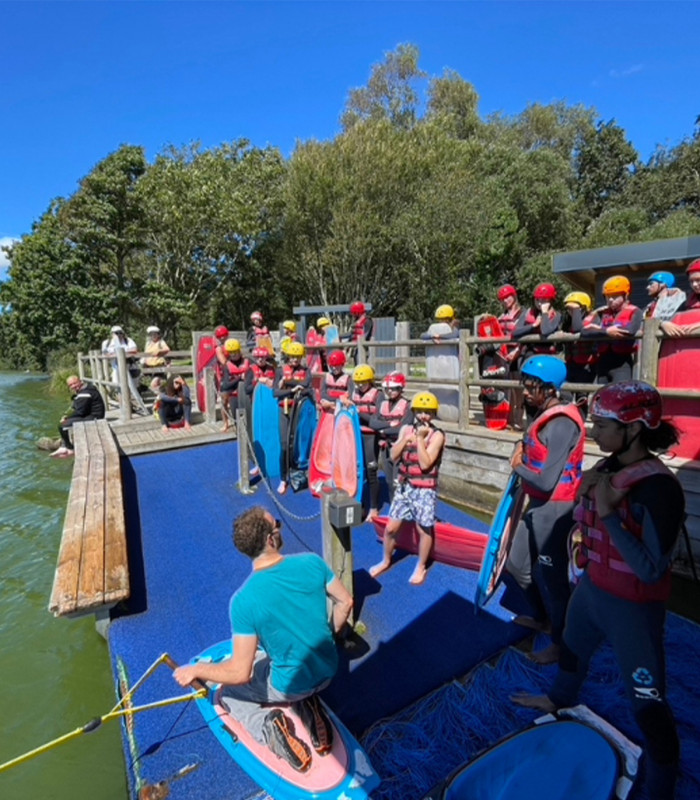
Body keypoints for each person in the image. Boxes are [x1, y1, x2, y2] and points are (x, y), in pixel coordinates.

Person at [512, 381, 684, 800]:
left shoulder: (660, 489)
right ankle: (557, 700)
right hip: (592, 592)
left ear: (633, 429)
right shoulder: (608, 468)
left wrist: (607, 516)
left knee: (648, 705)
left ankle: (662, 785)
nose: (592, 432)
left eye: (603, 426)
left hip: (633, 609)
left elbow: (650, 570)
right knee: (572, 649)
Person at [173, 508, 353, 772]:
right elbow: (346, 602)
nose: (280, 526)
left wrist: (196, 670)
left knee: (228, 694)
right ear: (270, 539)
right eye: (277, 524)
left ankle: (269, 727)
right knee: (267, 659)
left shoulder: (243, 601)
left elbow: (240, 673)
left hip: (291, 685)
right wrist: (327, 635)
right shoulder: (312, 562)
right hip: (328, 670)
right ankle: (309, 705)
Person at [506, 355, 585, 664]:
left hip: (555, 509)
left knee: (554, 581)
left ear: (550, 389)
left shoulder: (562, 423)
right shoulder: (544, 413)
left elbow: (546, 479)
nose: (525, 392)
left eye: (532, 387)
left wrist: (516, 465)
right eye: (525, 385)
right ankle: (543, 619)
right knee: (517, 565)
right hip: (537, 504)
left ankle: (561, 643)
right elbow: (532, 445)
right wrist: (520, 447)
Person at [369, 392, 445, 586]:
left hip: (424, 490)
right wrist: (405, 440)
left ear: (433, 415)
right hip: (405, 486)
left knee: (423, 529)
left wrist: (419, 440)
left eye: (428, 413)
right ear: (414, 412)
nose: (424, 416)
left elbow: (426, 464)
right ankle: (386, 560)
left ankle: (421, 565)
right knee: (390, 528)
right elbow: (393, 456)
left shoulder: (437, 436)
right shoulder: (405, 429)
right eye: (420, 412)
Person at [582, 275, 643, 385]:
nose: (610, 300)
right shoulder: (601, 313)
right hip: (602, 362)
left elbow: (630, 330)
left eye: (614, 296)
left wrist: (598, 330)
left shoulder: (635, 311)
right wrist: (606, 331)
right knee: (601, 393)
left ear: (625, 295)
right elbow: (584, 331)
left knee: (620, 392)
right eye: (607, 296)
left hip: (622, 363)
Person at [342, 364, 381, 520]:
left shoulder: (378, 395)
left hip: (370, 437)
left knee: (371, 471)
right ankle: (360, 503)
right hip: (355, 436)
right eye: (357, 383)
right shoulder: (354, 392)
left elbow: (376, 419)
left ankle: (374, 507)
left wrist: (357, 411)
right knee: (358, 470)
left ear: (370, 381)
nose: (359, 386)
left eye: (363, 383)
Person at [273, 341, 312, 494]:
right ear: (287, 356)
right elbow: (275, 392)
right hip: (284, 410)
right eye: (292, 357)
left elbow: (307, 387)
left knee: (296, 444)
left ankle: (297, 473)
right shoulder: (280, 370)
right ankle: (283, 478)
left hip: (299, 410)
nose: (295, 360)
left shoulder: (306, 371)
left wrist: (287, 383)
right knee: (284, 445)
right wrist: (292, 389)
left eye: (298, 357)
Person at [369, 371, 413, 501]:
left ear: (400, 388)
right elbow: (373, 423)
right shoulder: (382, 404)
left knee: (397, 481)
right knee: (389, 481)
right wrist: (389, 424)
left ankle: (402, 508)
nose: (389, 391)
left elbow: (403, 428)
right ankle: (393, 507)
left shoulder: (408, 405)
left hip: (400, 448)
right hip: (385, 448)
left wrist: (383, 431)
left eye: (393, 389)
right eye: (387, 389)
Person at [561, 291, 599, 419]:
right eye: (569, 309)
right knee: (565, 392)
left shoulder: (594, 319)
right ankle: (567, 419)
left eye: (573, 309)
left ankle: (580, 421)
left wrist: (576, 311)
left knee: (581, 396)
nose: (570, 312)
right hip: (571, 362)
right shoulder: (567, 321)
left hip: (586, 365)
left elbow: (578, 328)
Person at [51, 375, 106, 457]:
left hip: (95, 417)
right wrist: (66, 415)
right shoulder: (85, 389)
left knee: (62, 425)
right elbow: (77, 407)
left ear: (80, 381)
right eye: (70, 385)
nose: (73, 386)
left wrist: (66, 418)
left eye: (75, 383)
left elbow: (80, 412)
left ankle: (69, 448)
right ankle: (64, 445)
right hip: (91, 414)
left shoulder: (85, 393)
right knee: (67, 422)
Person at [496, 284, 526, 429]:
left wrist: (517, 351)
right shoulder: (501, 317)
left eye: (507, 297)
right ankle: (508, 417)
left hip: (518, 354)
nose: (505, 300)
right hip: (504, 355)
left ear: (514, 296)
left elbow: (526, 335)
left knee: (518, 387)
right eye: (502, 298)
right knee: (506, 387)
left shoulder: (524, 314)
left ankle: (518, 418)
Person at [662, 258, 700, 336]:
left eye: (698, 280)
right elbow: (672, 318)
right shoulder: (688, 301)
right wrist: (663, 324)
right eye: (691, 281)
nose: (694, 284)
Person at [219, 338, 249, 433]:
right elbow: (226, 385)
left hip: (246, 391)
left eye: (235, 352)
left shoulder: (248, 361)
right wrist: (239, 378)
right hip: (233, 392)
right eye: (231, 352)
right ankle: (226, 422)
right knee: (223, 398)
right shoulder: (226, 366)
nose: (234, 354)